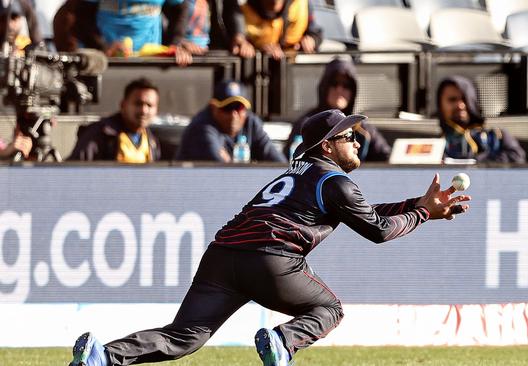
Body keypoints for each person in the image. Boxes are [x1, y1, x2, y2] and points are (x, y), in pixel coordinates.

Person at [67, 109, 471, 366]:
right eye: (349, 136)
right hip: (270, 259)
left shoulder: (296, 174)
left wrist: (417, 204)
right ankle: (281, 342)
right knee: (329, 308)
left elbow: (363, 214)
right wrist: (423, 213)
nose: (358, 140)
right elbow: (378, 231)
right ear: (327, 146)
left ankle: (104, 355)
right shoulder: (335, 180)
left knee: (185, 337)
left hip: (223, 256)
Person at [284, 57, 391, 161]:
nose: (339, 89)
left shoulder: (362, 127)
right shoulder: (307, 124)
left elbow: (387, 157)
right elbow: (291, 161)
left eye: (346, 85)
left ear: (353, 91)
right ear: (324, 87)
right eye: (334, 83)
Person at [175, 80, 286, 163]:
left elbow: (278, 163)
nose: (233, 114)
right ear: (213, 108)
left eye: (239, 108)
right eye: (227, 108)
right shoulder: (202, 127)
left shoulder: (251, 123)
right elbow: (225, 171)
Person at [72, 0, 200, 66]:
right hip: (107, 62)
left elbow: (180, 10)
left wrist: (172, 46)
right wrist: (103, 46)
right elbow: (81, 16)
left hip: (150, 60)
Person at [67, 78, 161, 162]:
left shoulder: (151, 141)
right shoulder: (100, 134)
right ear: (123, 105)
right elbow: (75, 172)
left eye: (149, 105)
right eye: (138, 104)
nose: (143, 110)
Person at [436, 75, 526, 163]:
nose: (460, 105)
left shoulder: (498, 137)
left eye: (465, 99)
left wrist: (478, 162)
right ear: (440, 106)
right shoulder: (433, 144)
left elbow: (517, 159)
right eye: (452, 99)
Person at [218, 0, 322, 60]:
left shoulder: (301, 5)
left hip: (291, 78)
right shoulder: (242, 11)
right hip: (254, 80)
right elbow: (231, 41)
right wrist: (246, 46)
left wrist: (311, 40)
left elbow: (316, 32)